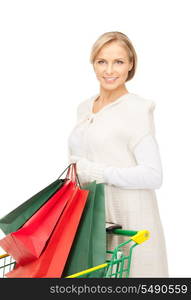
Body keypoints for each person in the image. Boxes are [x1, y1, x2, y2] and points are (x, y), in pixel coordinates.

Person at [67, 31, 169, 277]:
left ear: (131, 64)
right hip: (93, 217)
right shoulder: (84, 107)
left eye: (118, 62)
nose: (109, 70)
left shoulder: (137, 109)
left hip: (130, 217)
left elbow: (154, 175)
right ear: (93, 63)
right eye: (102, 61)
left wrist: (99, 172)